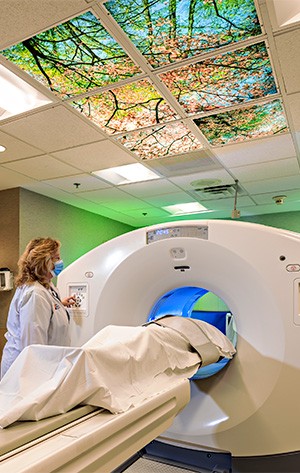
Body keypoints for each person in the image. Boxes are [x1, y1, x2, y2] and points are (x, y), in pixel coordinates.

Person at [0, 237, 75, 379]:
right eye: (56, 258)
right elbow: (34, 346)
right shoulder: (35, 294)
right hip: (27, 371)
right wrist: (41, 378)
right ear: (45, 262)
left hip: (46, 365)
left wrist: (60, 305)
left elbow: (46, 310)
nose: (60, 262)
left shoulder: (46, 286)